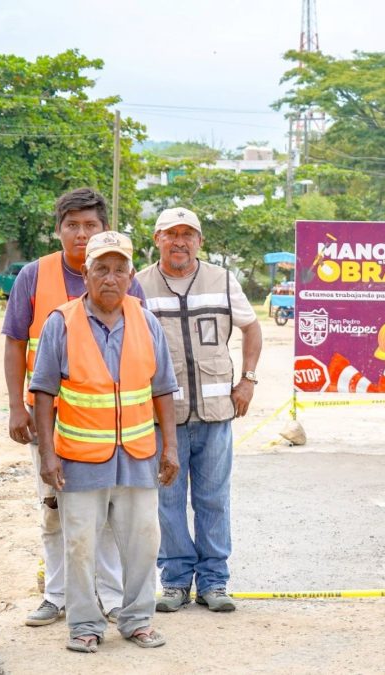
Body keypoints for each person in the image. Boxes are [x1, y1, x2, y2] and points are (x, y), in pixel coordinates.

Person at [31, 230, 180, 653]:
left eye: (119, 270)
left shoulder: (146, 321)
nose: (110, 278)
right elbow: (43, 393)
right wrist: (47, 456)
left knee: (143, 543)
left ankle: (137, 620)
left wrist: (170, 447)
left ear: (131, 276)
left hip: (138, 456)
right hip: (79, 459)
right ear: (85, 274)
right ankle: (84, 625)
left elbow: (163, 388)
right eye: (101, 269)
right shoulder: (61, 322)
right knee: (79, 546)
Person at [2, 188, 144, 627]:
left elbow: (141, 347)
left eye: (90, 225)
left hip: (107, 425)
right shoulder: (34, 275)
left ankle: (112, 597)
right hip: (50, 420)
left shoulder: (125, 277)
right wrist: (16, 406)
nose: (81, 234)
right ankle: (56, 594)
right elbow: (15, 342)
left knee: (108, 513)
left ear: (105, 229)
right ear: (58, 229)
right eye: (72, 225)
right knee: (53, 509)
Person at [136, 207, 262, 613]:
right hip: (162, 419)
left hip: (215, 415)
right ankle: (175, 581)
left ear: (199, 241)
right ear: (157, 239)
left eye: (187, 234)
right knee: (167, 501)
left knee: (213, 499)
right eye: (171, 234)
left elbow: (252, 326)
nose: (180, 242)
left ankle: (214, 581)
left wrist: (248, 379)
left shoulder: (222, 280)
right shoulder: (139, 285)